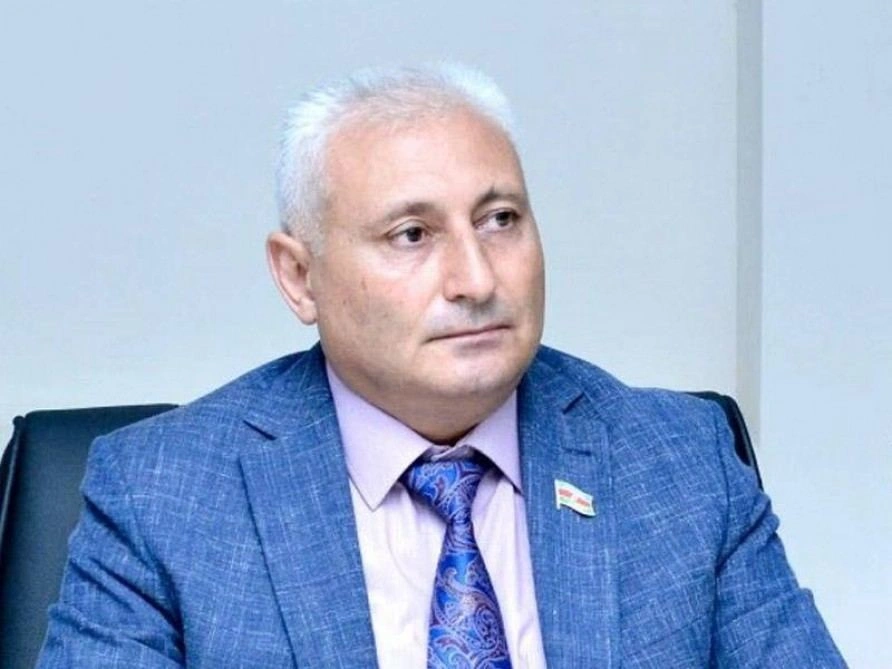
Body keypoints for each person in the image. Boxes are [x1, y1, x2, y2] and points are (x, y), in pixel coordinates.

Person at [38, 64, 845, 668]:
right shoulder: (162, 495)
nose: (476, 279)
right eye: (412, 235)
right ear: (300, 276)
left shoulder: (681, 463)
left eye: (500, 220)